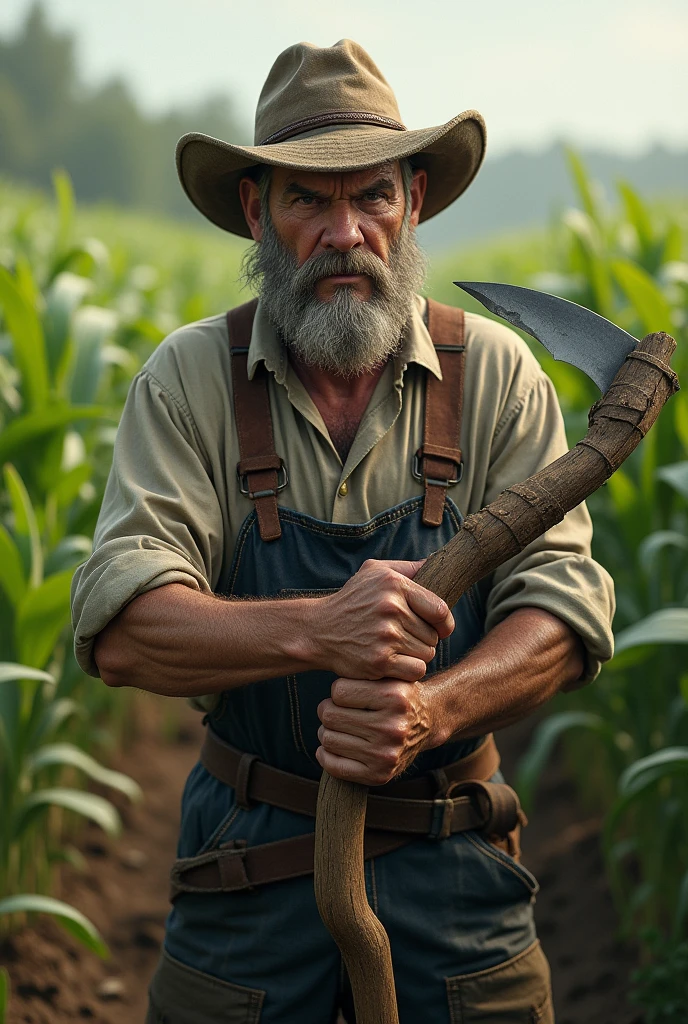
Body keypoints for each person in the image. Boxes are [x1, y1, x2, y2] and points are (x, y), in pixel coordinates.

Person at [71, 38, 614, 1024]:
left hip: (456, 869)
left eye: (369, 197)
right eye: (307, 201)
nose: (342, 232)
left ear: (412, 201)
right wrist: (320, 628)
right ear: (256, 213)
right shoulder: (191, 379)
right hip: (246, 870)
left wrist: (437, 709)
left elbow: (565, 616)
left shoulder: (494, 376)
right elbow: (122, 627)